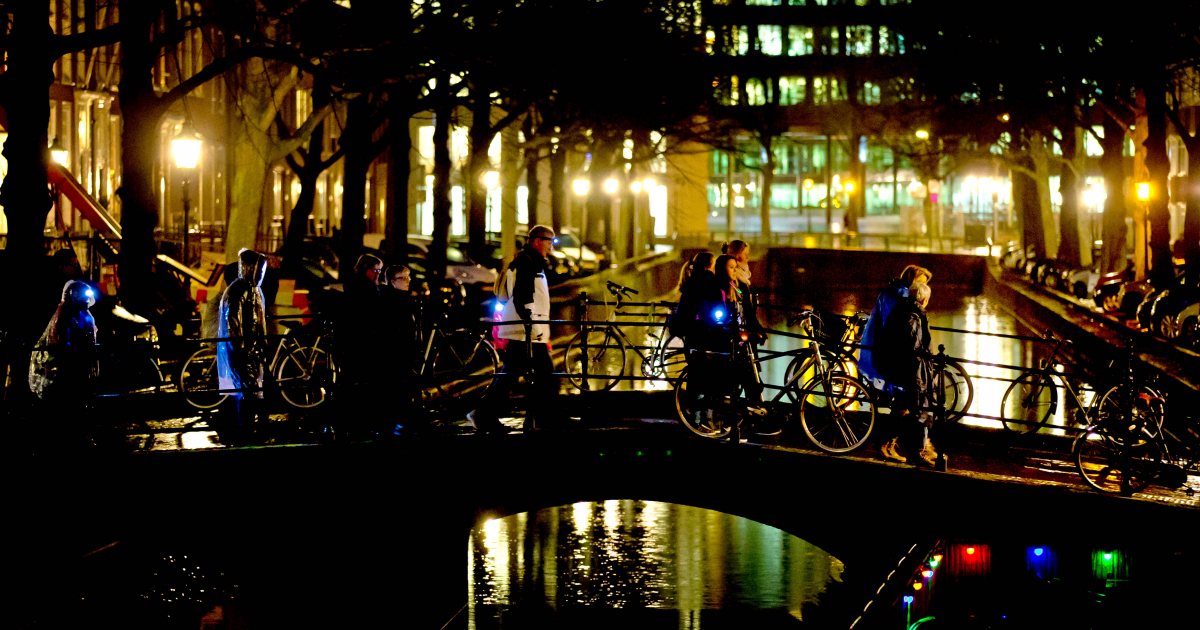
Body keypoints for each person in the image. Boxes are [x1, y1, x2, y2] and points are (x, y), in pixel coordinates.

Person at [468, 225, 562, 434]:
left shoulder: (529, 261)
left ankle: (537, 418)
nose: (551, 247)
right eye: (549, 242)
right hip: (525, 329)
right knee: (534, 373)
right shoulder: (527, 262)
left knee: (525, 374)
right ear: (537, 241)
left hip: (529, 329)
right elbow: (523, 295)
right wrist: (529, 321)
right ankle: (486, 415)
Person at [27, 279, 101, 445]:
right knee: (70, 401)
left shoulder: (85, 315)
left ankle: (82, 434)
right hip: (67, 367)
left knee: (84, 399)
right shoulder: (65, 314)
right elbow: (59, 339)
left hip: (82, 365)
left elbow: (91, 336)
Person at [877, 281, 940, 467]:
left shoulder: (902, 310)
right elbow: (913, 347)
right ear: (924, 299)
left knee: (903, 408)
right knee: (921, 410)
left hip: (901, 369)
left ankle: (887, 444)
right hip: (912, 371)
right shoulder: (913, 316)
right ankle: (917, 452)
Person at [216, 248, 270, 445]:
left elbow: (261, 320)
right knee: (247, 391)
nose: (261, 274)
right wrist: (240, 349)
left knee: (254, 390)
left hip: (253, 351)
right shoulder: (237, 291)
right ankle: (244, 430)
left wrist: (262, 343)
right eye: (258, 269)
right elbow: (233, 324)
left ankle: (249, 428)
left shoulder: (256, 291)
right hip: (242, 351)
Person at [333, 253, 387, 439]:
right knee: (359, 380)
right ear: (365, 269)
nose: (378, 274)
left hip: (353, 342)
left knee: (351, 380)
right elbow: (369, 315)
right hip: (359, 342)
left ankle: (347, 421)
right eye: (375, 270)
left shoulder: (356, 285)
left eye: (380, 270)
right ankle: (356, 422)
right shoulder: (365, 289)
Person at [858, 264, 933, 389]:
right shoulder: (900, 294)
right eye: (921, 283)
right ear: (912, 280)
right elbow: (896, 323)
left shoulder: (892, 290)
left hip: (881, 339)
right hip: (890, 343)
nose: (923, 287)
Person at [378, 263, 422, 435]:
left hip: (401, 351)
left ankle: (400, 420)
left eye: (408, 277)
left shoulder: (400, 298)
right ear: (392, 281)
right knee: (399, 386)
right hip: (397, 352)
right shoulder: (394, 300)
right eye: (402, 278)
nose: (407, 281)